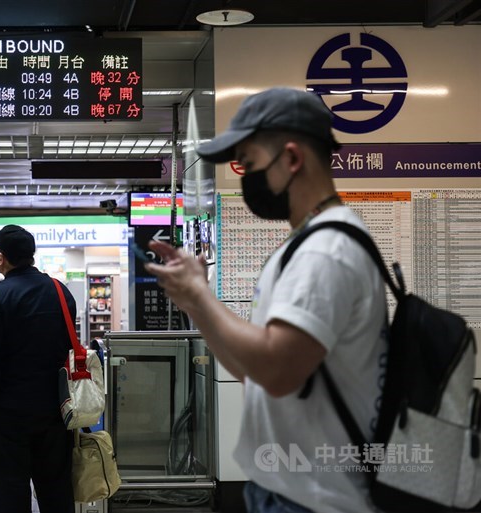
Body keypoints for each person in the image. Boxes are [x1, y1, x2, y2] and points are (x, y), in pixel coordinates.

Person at [145, 88, 386, 513]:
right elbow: (253, 371)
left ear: (292, 159)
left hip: (315, 498)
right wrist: (196, 303)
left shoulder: (325, 251)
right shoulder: (307, 244)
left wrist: (200, 294)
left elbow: (276, 370)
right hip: (287, 487)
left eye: (250, 164)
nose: (245, 178)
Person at [0, 224, 76, 513]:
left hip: (8, 411)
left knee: (10, 490)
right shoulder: (60, 290)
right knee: (56, 488)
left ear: (1, 258)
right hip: (56, 408)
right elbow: (69, 345)